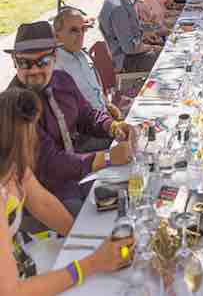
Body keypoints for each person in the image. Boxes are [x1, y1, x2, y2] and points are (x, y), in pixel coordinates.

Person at [0, 88, 134, 292]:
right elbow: (11, 291)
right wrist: (91, 263)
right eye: (30, 132)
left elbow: (43, 203)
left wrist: (85, 241)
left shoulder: (12, 162)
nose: (34, 139)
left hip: (22, 259)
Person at [6, 21, 131, 216]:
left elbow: (86, 115)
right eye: (24, 63)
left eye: (42, 62)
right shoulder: (14, 105)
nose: (33, 70)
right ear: (14, 61)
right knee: (107, 218)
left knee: (133, 189)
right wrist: (106, 158)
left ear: (54, 57)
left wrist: (112, 126)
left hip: (77, 169)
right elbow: (50, 163)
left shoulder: (62, 79)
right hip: (47, 193)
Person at [98, 0, 161, 73]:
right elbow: (129, 48)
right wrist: (151, 48)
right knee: (166, 57)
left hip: (132, 51)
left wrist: (146, 33)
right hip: (125, 60)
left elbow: (131, 28)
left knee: (167, 44)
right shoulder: (117, 7)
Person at [54, 8, 113, 112]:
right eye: (73, 30)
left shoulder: (82, 55)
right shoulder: (55, 67)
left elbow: (97, 89)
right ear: (57, 36)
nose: (81, 35)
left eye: (82, 29)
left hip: (106, 115)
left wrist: (109, 107)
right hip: (90, 124)